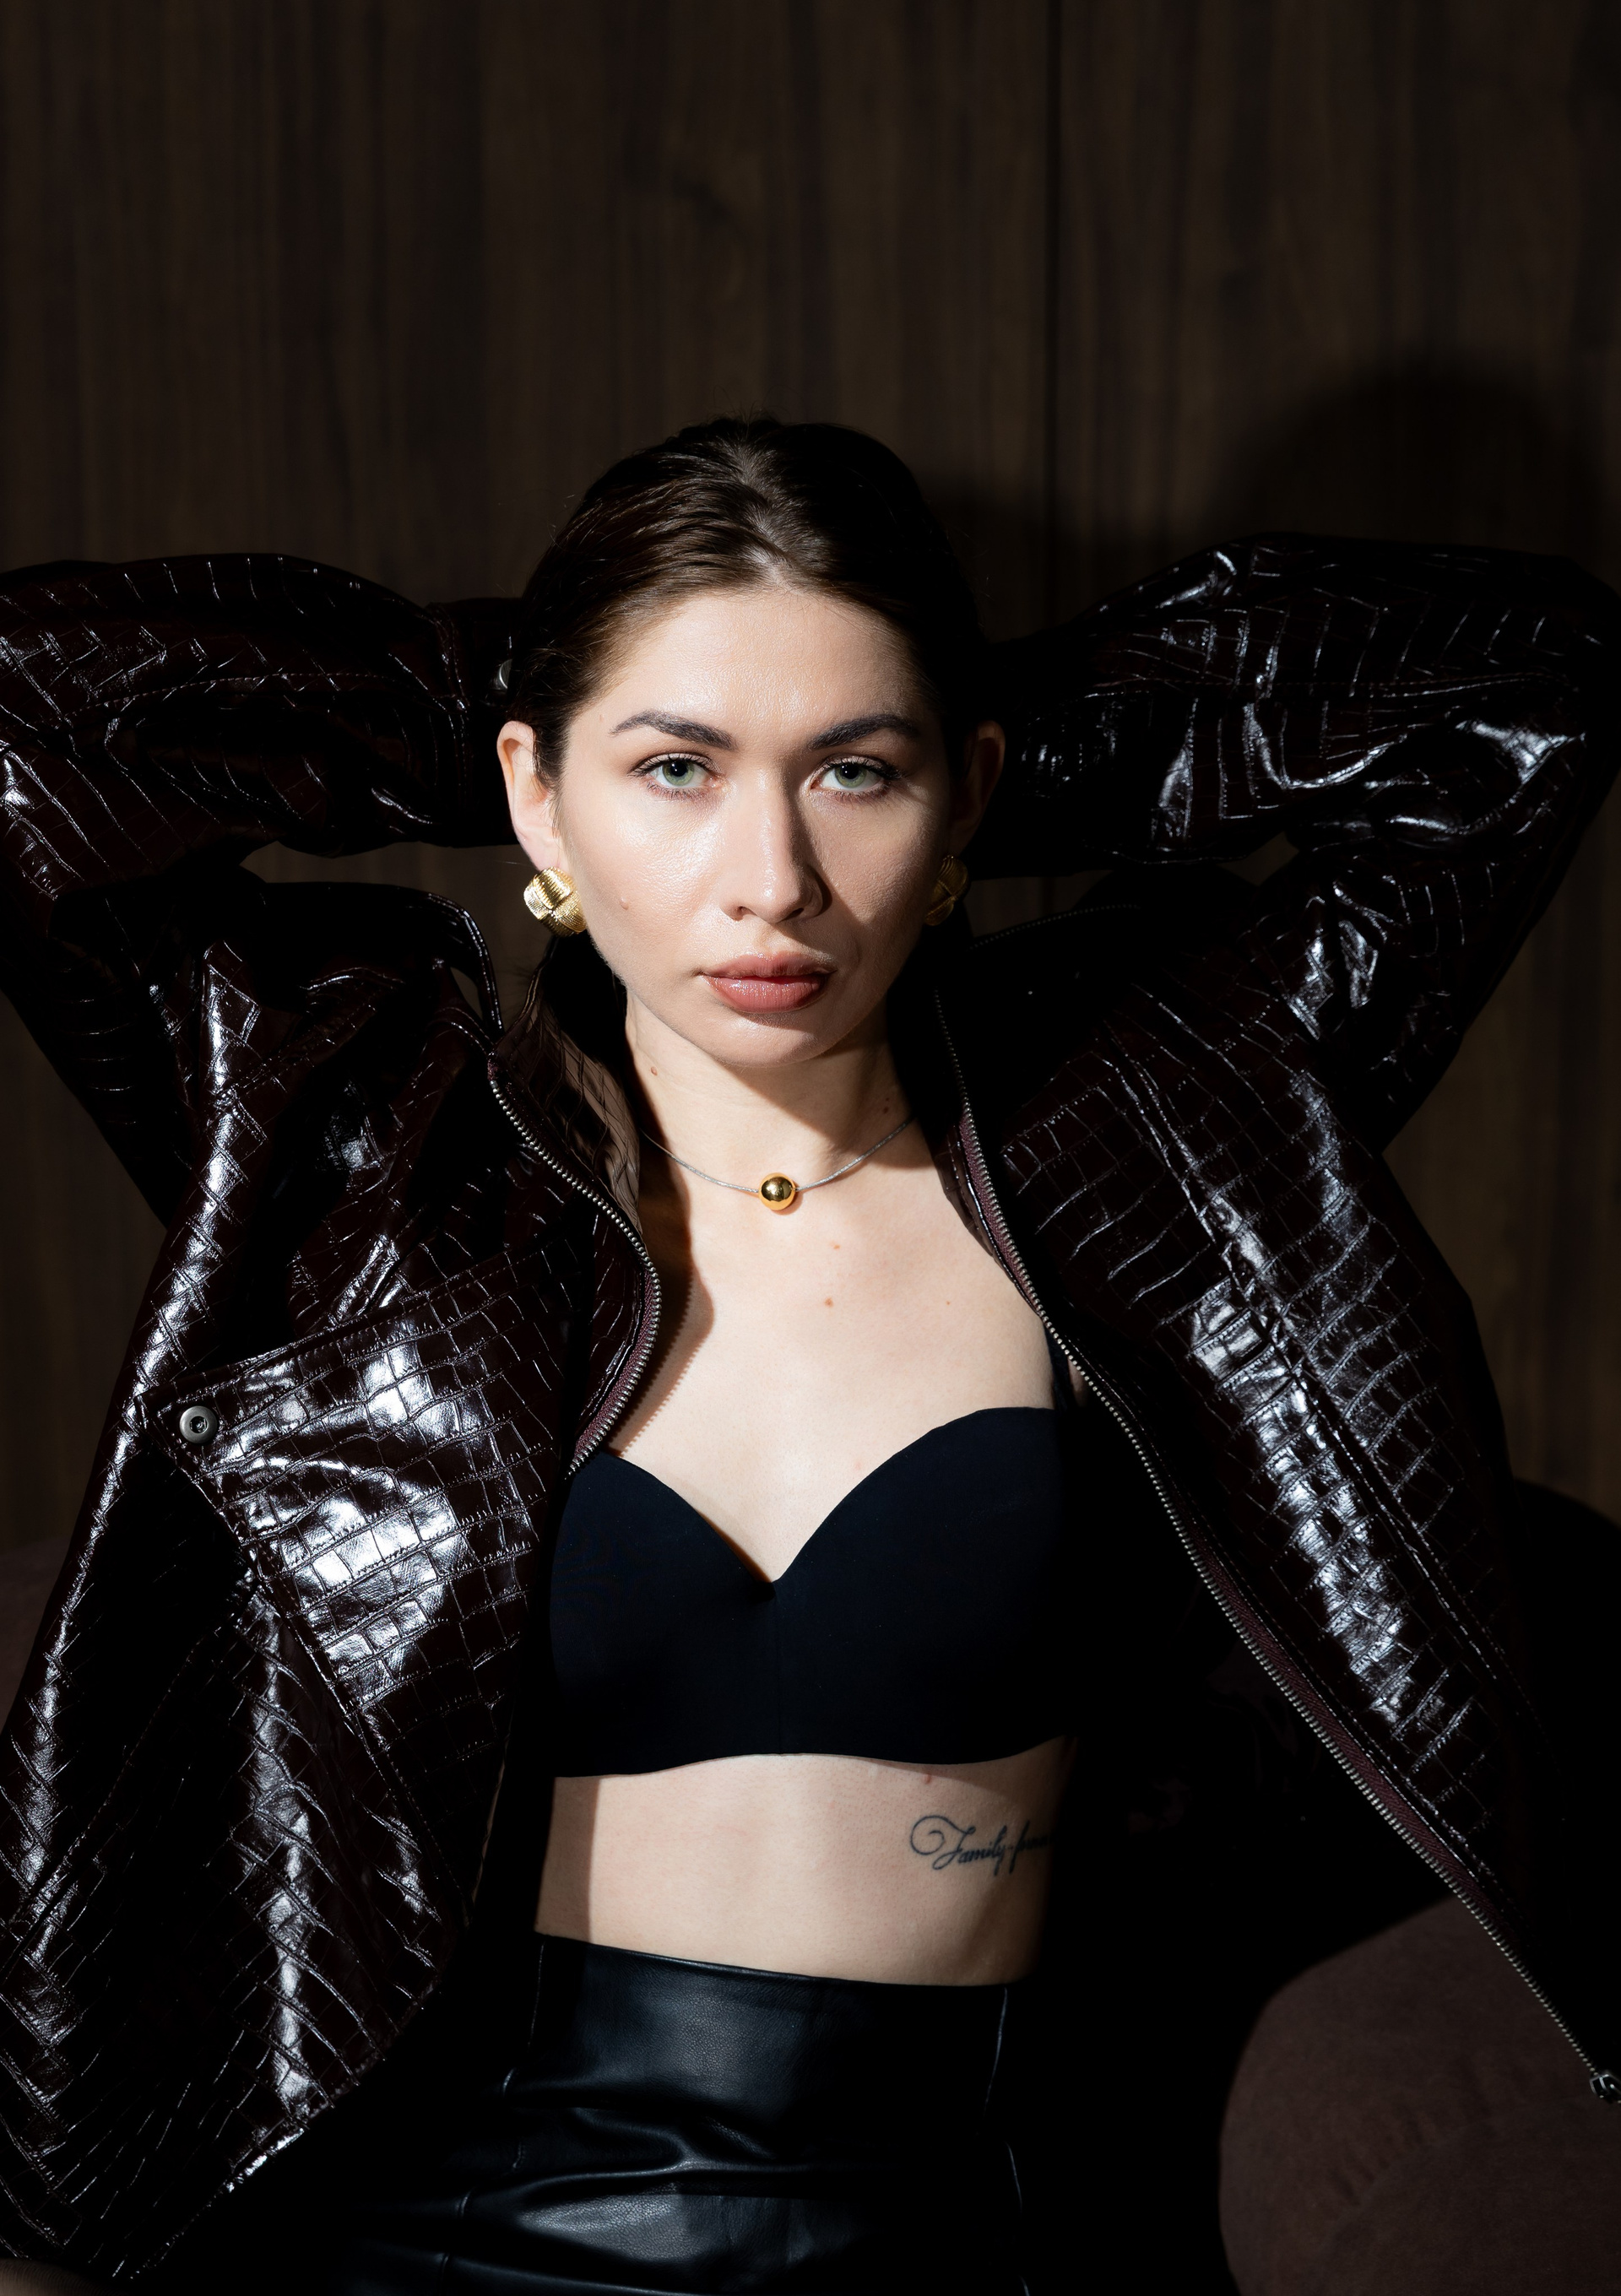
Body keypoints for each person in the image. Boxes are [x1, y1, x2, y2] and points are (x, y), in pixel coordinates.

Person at [0, 417, 1616, 2294]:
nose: (771, 878)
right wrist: (553, 694)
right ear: (535, 794)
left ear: (962, 789)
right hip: (425, 2230)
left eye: (855, 772)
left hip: (944, 2233)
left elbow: (1534, 680)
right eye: (676, 770)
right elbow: (28, 716)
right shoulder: (373, 1157)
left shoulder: (1142, 1140)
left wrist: (972, 734)